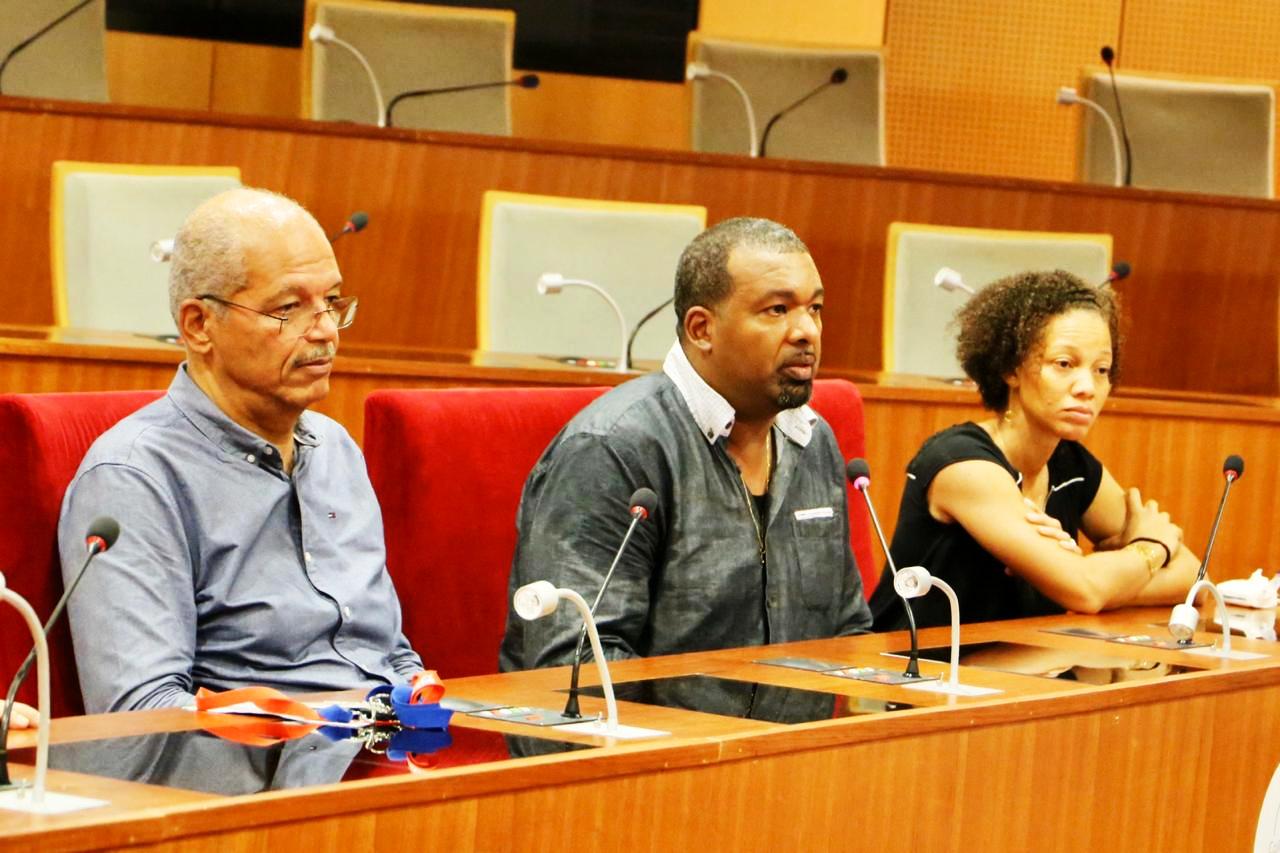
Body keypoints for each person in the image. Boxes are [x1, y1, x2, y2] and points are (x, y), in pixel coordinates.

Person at [58, 188, 423, 713]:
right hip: (269, 755)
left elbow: (387, 652)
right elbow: (142, 712)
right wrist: (320, 729)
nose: (325, 330)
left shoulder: (335, 448)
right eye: (288, 308)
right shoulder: (134, 477)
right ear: (199, 325)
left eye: (332, 301)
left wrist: (426, 706)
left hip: (387, 740)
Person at [499, 217, 872, 677]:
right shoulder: (613, 450)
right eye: (777, 310)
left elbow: (847, 630)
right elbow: (577, 668)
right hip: (650, 725)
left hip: (794, 724)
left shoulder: (813, 440)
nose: (806, 331)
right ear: (701, 329)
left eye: (814, 308)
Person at [870, 269, 1197, 630]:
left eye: (1102, 369)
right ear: (1011, 368)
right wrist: (1151, 547)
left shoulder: (1072, 466)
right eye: (1064, 364)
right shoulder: (962, 465)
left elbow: (1192, 577)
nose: (1087, 387)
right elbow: (1086, 591)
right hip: (916, 661)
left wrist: (1101, 579)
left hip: (1020, 659)